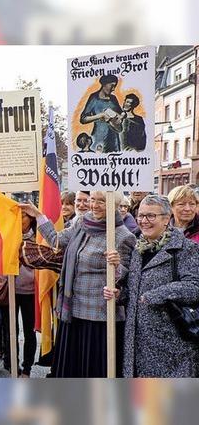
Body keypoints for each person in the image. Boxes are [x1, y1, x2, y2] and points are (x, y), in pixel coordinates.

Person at [20, 191, 136, 377]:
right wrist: (38, 215)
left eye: (102, 201)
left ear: (115, 204)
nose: (95, 205)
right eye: (93, 200)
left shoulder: (123, 236)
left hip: (99, 318)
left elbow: (130, 277)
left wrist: (117, 265)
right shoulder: (82, 223)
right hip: (73, 312)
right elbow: (57, 240)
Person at [104, 195, 199, 377]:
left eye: (150, 216)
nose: (143, 221)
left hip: (173, 343)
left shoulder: (187, 248)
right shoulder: (140, 248)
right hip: (138, 341)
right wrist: (119, 295)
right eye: (140, 216)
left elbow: (194, 287)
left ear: (166, 219)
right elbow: (134, 289)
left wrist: (156, 295)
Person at [15, 210, 38, 378]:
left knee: (29, 332)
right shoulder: (11, 234)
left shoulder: (38, 237)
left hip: (30, 290)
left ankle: (27, 368)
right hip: (10, 290)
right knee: (10, 330)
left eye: (23, 215)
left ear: (31, 219)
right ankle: (12, 363)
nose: (20, 219)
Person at [79, 74, 122, 152]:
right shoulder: (94, 98)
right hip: (98, 138)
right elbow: (83, 119)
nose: (113, 89)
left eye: (115, 86)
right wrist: (100, 115)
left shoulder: (113, 99)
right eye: (112, 85)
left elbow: (120, 114)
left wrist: (120, 117)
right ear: (104, 84)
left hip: (114, 139)